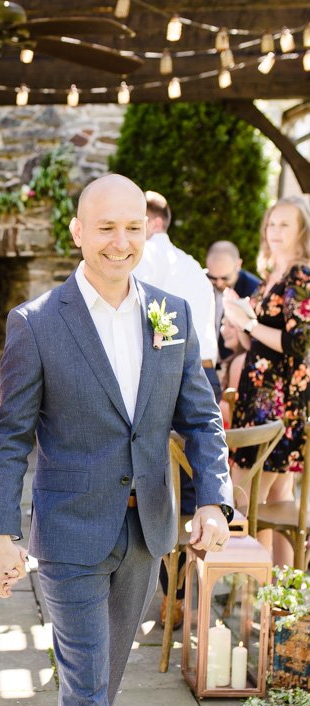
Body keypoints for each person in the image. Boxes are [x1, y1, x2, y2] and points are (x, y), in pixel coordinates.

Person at [0, 174, 232, 706]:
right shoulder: (35, 322)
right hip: (67, 531)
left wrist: (212, 498)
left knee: (102, 678)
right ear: (77, 232)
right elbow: (10, 439)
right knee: (89, 682)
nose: (121, 241)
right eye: (105, 228)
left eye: (132, 227)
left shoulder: (173, 312)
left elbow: (200, 416)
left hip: (146, 528)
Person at [135, 191, 220, 627]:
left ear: (148, 222)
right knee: (193, 495)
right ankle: (188, 597)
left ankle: (163, 591)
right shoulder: (192, 266)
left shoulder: (141, 260)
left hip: (161, 376)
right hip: (204, 374)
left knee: (158, 487)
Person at [224, 195, 310, 566]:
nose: (274, 232)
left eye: (284, 225)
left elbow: (298, 342)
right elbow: (256, 341)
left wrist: (248, 323)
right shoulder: (270, 276)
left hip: (278, 407)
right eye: (272, 224)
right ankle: (275, 607)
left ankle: (262, 600)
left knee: (244, 499)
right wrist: (239, 319)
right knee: (273, 502)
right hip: (256, 400)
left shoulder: (301, 274)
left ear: (302, 232)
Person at [134, 191, 219, 399]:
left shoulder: (147, 252)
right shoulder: (193, 266)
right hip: (206, 373)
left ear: (155, 223)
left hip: (173, 374)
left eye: (136, 224)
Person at [205, 240, 260, 359]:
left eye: (225, 277)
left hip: (234, 360)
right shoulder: (200, 282)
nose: (219, 283)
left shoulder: (254, 289)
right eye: (213, 277)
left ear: (238, 265)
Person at [218, 316, 247, 429]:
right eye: (223, 324)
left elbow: (233, 407)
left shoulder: (240, 361)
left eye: (231, 325)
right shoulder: (235, 359)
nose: (224, 330)